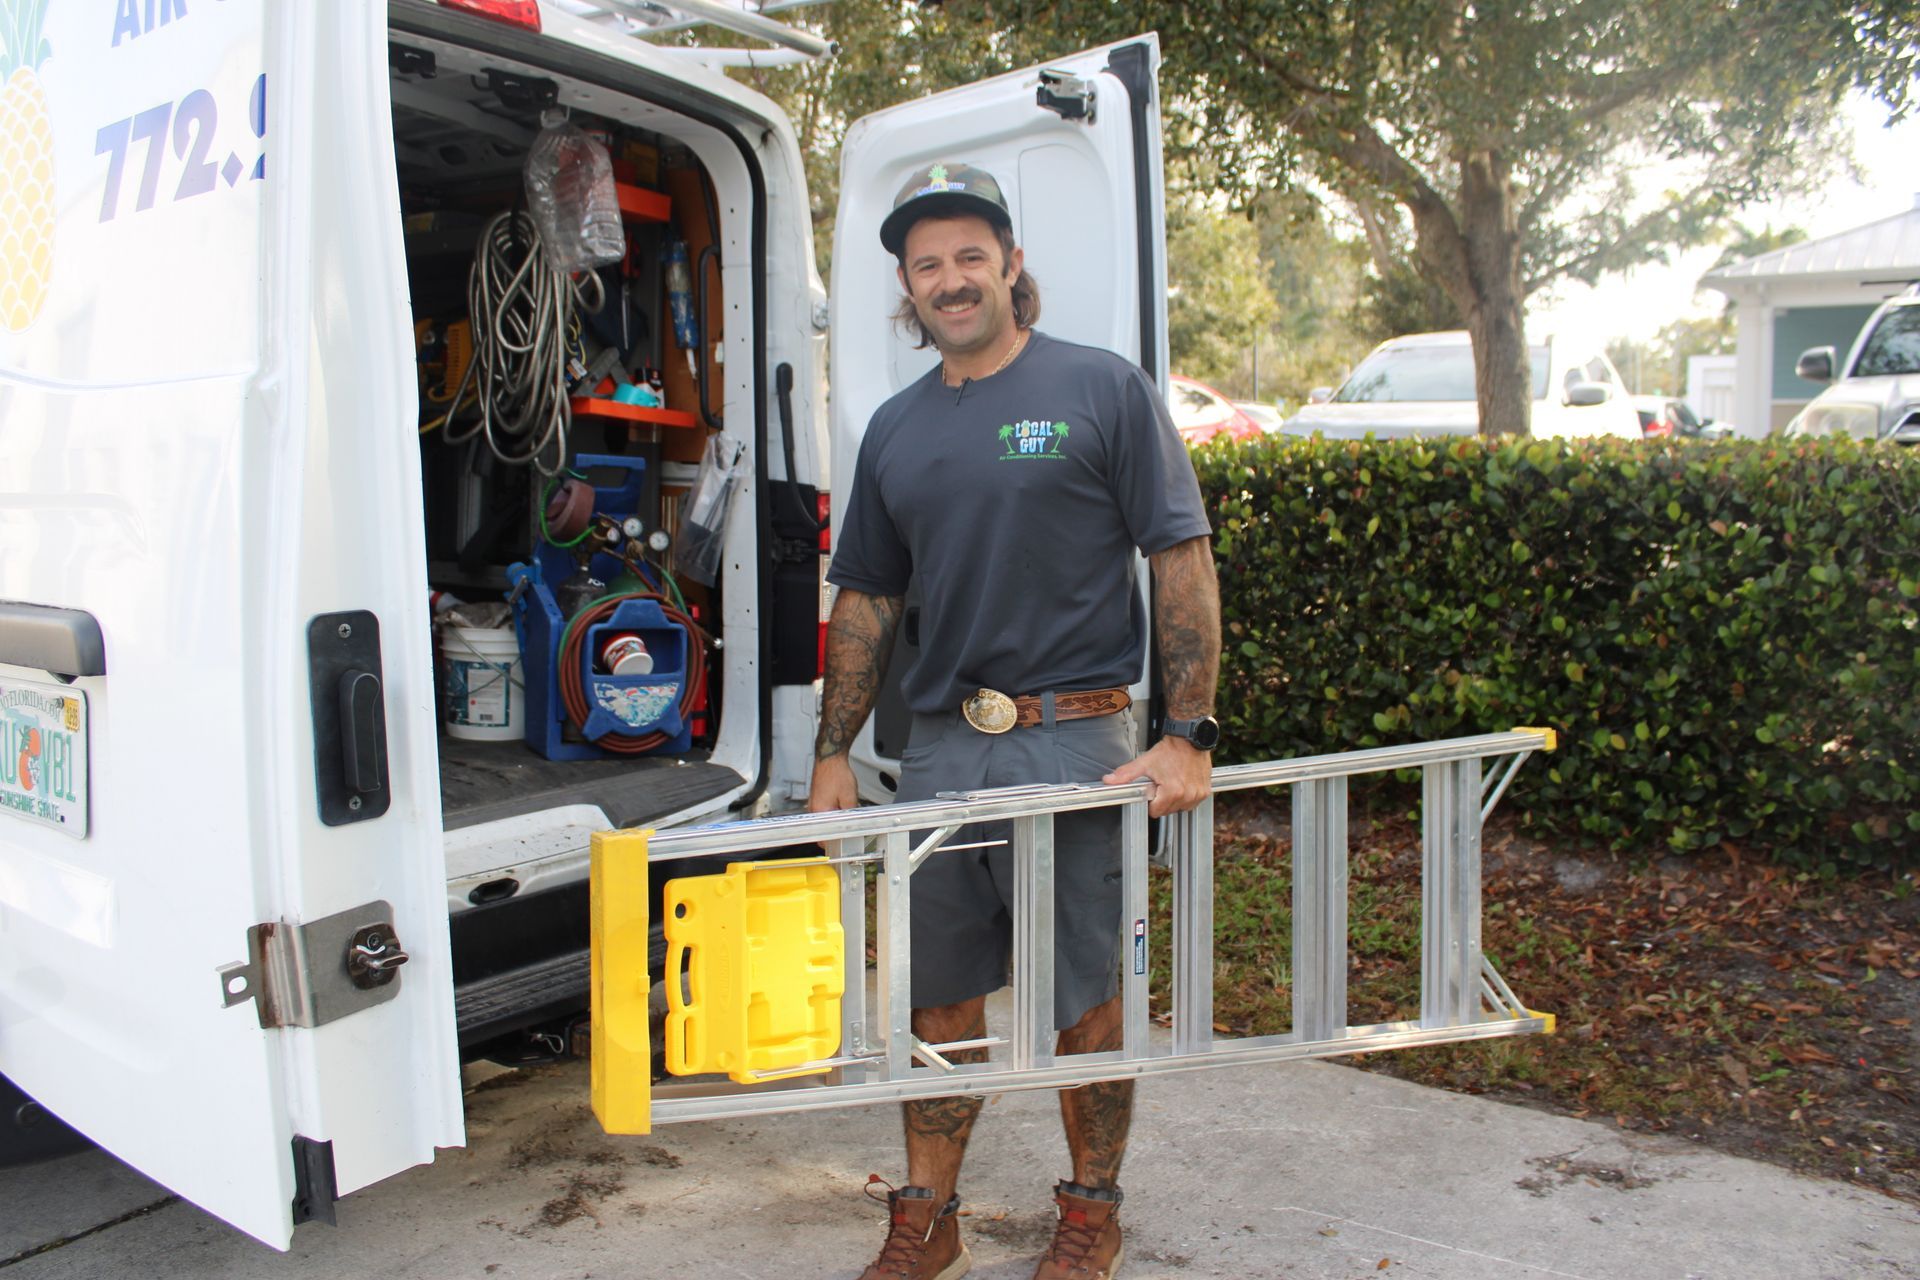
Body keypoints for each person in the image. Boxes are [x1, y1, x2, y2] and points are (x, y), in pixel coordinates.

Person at [810, 161, 1222, 1280]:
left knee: (1088, 997)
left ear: (1010, 264)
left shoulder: (1101, 388)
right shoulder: (895, 428)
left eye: (969, 256)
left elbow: (1179, 554)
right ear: (908, 285)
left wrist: (1188, 729)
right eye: (927, 264)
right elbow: (867, 599)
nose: (950, 279)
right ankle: (926, 1215)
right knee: (937, 998)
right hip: (942, 749)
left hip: (1077, 739)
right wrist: (833, 750)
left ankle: (1091, 1211)